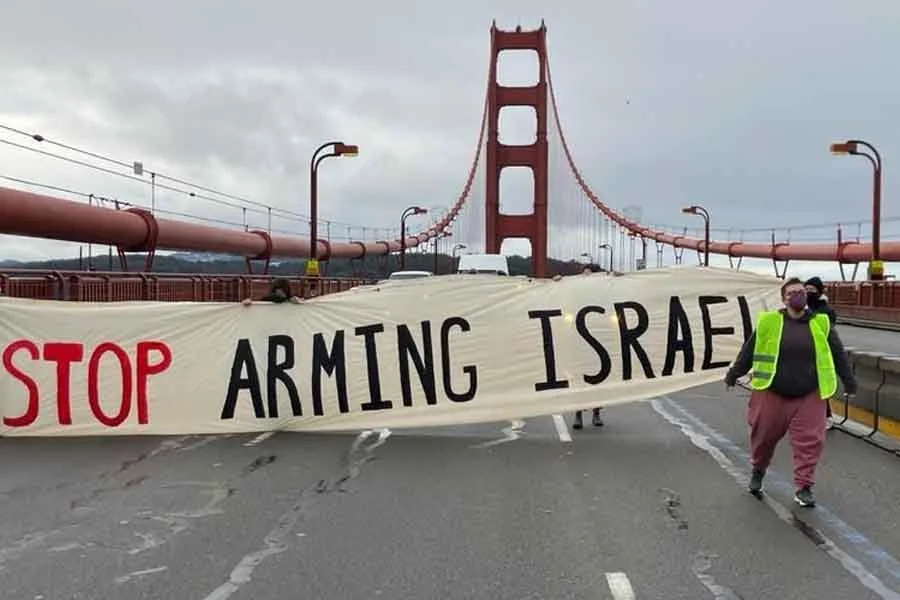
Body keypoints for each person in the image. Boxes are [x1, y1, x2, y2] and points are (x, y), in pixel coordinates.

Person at [724, 277, 857, 507]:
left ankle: (804, 487)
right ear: (783, 298)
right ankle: (758, 470)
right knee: (763, 438)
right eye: (792, 292)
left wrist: (849, 381)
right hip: (773, 392)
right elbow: (750, 350)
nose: (798, 295)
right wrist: (734, 373)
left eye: (801, 291)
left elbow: (838, 354)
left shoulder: (821, 323)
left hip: (809, 393)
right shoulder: (769, 322)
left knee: (811, 441)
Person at [805, 276, 838, 428]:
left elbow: (829, 334)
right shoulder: (799, 306)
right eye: (806, 289)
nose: (808, 292)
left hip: (820, 353)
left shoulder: (826, 310)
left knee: (819, 386)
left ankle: (826, 416)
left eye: (812, 290)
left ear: (819, 291)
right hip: (803, 351)